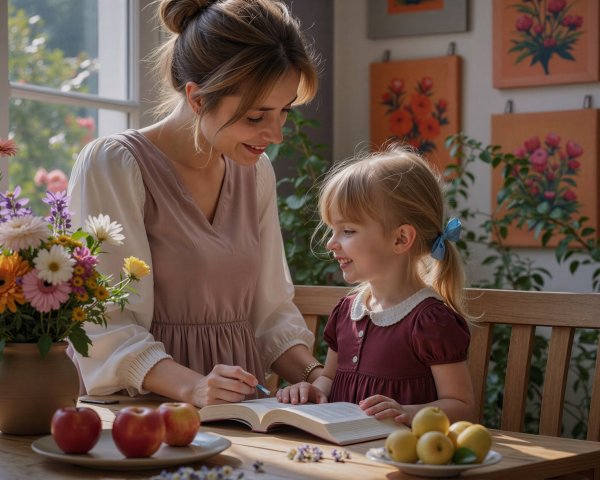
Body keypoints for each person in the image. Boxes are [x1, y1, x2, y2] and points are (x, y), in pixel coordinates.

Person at [67, 0, 325, 407]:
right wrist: (194, 387)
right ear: (198, 99)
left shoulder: (255, 172)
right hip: (143, 408)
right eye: (257, 118)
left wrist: (318, 376)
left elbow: (270, 311)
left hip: (241, 409)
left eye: (284, 112)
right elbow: (104, 323)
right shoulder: (114, 164)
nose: (275, 135)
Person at [275, 147, 475, 425]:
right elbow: (330, 379)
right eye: (332, 229)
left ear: (400, 238)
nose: (331, 243)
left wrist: (408, 413)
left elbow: (461, 405)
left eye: (347, 231)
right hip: (345, 456)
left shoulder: (431, 321)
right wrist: (313, 390)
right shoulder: (347, 312)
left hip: (399, 455)